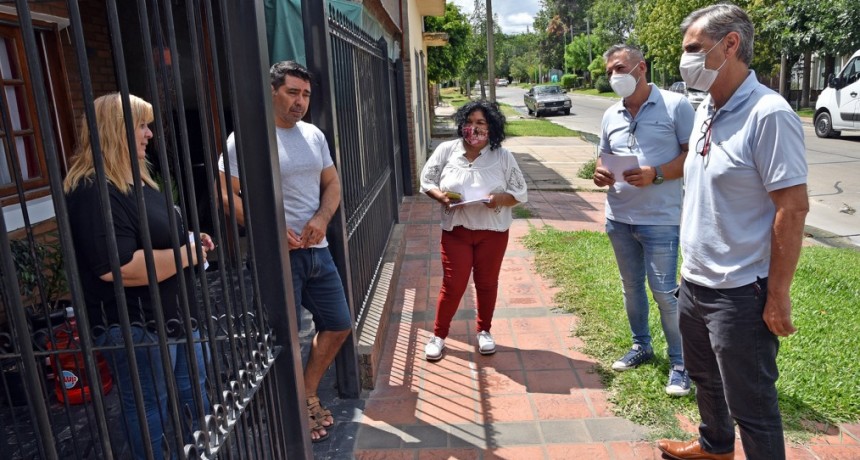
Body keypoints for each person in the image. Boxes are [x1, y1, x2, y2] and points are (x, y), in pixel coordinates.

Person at [657, 4, 809, 460]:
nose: (685, 60)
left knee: (754, 405)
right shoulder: (706, 107)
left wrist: (778, 294)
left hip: (741, 291)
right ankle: (714, 446)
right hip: (696, 280)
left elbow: (793, 207)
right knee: (705, 379)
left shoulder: (769, 113)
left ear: (730, 45)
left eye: (692, 49)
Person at [64, 93, 212, 459]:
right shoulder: (93, 190)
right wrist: (186, 254)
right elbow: (119, 268)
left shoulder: (140, 179)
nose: (149, 134)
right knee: (151, 406)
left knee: (196, 392)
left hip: (177, 314)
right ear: (115, 130)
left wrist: (189, 240)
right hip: (137, 324)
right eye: (141, 125)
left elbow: (157, 237)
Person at [218, 61, 351, 443]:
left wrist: (323, 219)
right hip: (278, 257)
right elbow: (226, 193)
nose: (300, 101)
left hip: (318, 250)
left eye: (306, 94)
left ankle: (305, 393)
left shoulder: (313, 135)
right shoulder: (247, 138)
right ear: (273, 91)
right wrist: (273, 230)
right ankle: (290, 410)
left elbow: (332, 184)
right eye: (293, 92)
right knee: (284, 336)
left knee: (338, 324)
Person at [592, 44, 694, 397]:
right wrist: (600, 175)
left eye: (619, 68)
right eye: (609, 72)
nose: (613, 76)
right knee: (631, 287)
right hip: (619, 217)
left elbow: (692, 157)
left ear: (641, 68)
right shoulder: (610, 115)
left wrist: (657, 174)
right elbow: (601, 161)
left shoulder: (676, 105)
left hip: (661, 220)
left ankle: (681, 364)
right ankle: (641, 346)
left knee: (666, 294)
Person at [419, 100, 528, 361]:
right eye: (469, 122)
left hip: (493, 231)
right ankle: (438, 336)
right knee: (453, 284)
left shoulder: (502, 156)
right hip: (456, 230)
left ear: (491, 127)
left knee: (487, 283)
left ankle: (484, 331)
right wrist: (441, 197)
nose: (474, 128)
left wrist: (500, 199)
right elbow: (427, 180)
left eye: (481, 123)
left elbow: (520, 193)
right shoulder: (447, 151)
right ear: (461, 125)